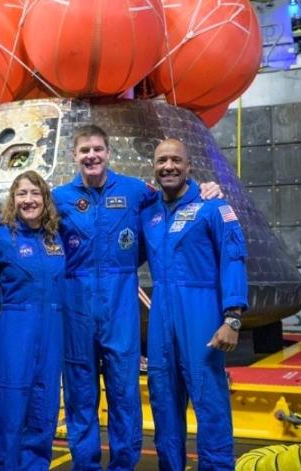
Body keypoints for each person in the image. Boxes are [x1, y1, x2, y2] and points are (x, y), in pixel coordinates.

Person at [52, 125, 222, 470]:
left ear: (108, 152)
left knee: (124, 393)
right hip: (76, 304)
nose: (91, 156)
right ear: (74, 155)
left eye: (97, 149)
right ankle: (85, 465)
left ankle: (123, 465)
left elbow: (174, 196)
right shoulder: (58, 198)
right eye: (84, 150)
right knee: (80, 393)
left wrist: (207, 188)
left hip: (120, 306)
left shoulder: (136, 191)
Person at [140, 138, 249, 471]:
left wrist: (232, 318)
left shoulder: (213, 207)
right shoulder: (148, 213)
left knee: (209, 399)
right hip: (161, 316)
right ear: (154, 167)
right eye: (162, 161)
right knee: (163, 399)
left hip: (201, 312)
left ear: (188, 166)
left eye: (176, 160)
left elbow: (233, 260)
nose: (168, 166)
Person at [0, 171, 65, 470]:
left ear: (45, 199)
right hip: (15, 329)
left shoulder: (55, 237)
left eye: (35, 193)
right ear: (13, 199)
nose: (29, 200)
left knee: (44, 407)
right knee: (9, 406)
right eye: (22, 194)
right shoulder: (1, 236)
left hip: (52, 331)